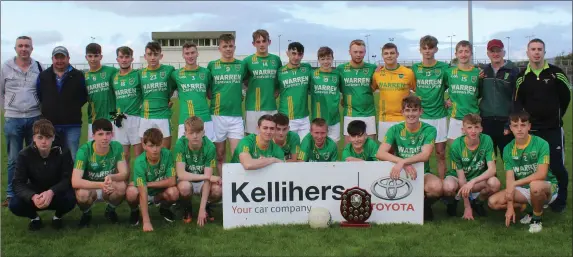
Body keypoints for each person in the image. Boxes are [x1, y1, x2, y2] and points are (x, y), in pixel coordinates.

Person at [513, 38, 571, 212]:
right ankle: (533, 200)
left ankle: (560, 200)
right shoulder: (522, 77)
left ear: (544, 52)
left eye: (540, 49)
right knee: (531, 167)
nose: (536, 52)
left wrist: (555, 116)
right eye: (533, 49)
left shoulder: (556, 73)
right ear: (528, 52)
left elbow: (566, 98)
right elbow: (517, 102)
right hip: (532, 131)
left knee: (556, 166)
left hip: (552, 129)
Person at [488, 111, 559, 233]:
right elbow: (510, 179)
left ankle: (536, 219)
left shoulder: (541, 144)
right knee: (493, 202)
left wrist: (516, 183)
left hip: (547, 187)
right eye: (515, 126)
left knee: (535, 186)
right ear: (510, 128)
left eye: (523, 125)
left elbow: (541, 174)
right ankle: (527, 208)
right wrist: (510, 206)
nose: (519, 129)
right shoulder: (507, 149)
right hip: (524, 189)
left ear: (529, 126)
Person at [375, 95, 441, 221]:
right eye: (407, 110)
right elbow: (380, 153)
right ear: (402, 112)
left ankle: (423, 206)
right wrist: (403, 164)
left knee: (437, 187)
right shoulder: (394, 129)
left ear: (420, 111)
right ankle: (408, 206)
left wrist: (403, 161)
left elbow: (425, 155)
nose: (411, 114)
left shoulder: (429, 129)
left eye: (414, 110)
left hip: (422, 172)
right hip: (400, 172)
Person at [9, 119, 75, 230]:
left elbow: (67, 179)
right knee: (14, 204)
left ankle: (57, 217)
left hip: (56, 191)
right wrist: (33, 196)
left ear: (53, 137)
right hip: (35, 192)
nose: (44, 142)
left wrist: (51, 192)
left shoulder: (63, 152)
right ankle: (34, 218)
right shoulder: (24, 155)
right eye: (40, 137)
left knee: (72, 198)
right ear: (34, 138)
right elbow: (17, 183)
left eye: (48, 137)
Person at [1, 36, 43, 206]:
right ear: (15, 48)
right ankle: (11, 194)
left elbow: (42, 90)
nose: (24, 49)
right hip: (13, 119)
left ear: (32, 49)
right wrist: (8, 109)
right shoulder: (5, 67)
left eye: (27, 46)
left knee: (35, 156)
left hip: (34, 117)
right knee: (14, 158)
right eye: (20, 46)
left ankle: (34, 190)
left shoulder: (38, 67)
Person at [71, 119, 128, 228]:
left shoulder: (117, 147)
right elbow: (75, 181)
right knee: (82, 194)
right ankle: (87, 213)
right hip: (91, 189)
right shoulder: (84, 151)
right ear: (93, 136)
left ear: (112, 134)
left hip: (109, 187)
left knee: (121, 186)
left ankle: (110, 210)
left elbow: (124, 173)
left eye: (108, 133)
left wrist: (111, 176)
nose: (105, 138)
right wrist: (102, 185)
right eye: (100, 134)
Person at [442, 114, 500, 220]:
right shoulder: (456, 146)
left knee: (494, 183)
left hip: (476, 179)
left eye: (476, 127)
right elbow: (461, 177)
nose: (473, 131)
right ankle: (453, 202)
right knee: (448, 187)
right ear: (463, 130)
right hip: (458, 177)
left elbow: (492, 169)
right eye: (469, 127)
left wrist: (472, 182)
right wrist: (466, 206)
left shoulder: (487, 140)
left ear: (481, 129)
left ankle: (478, 202)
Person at [36, 46, 87, 160]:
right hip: (50, 125)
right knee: (51, 157)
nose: (59, 61)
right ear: (52, 59)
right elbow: (40, 95)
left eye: (62, 57)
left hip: (72, 125)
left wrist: (71, 107)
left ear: (68, 58)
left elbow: (83, 96)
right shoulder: (44, 76)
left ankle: (72, 178)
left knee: (72, 156)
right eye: (57, 58)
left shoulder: (78, 75)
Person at [208, 33, 248, 174]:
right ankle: (223, 182)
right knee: (219, 154)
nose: (228, 49)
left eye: (231, 46)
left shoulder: (241, 65)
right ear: (219, 48)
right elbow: (208, 89)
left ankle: (236, 183)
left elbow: (248, 82)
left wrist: (241, 94)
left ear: (234, 47)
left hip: (236, 116)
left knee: (238, 154)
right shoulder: (212, 66)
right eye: (225, 46)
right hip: (217, 115)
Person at [126, 128, 179, 231]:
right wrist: (146, 222)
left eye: (158, 145)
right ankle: (134, 210)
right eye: (151, 146)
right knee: (131, 192)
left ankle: (164, 208)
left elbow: (172, 181)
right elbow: (142, 191)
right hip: (145, 192)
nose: (155, 149)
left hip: (159, 192)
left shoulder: (167, 154)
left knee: (174, 192)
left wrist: (147, 184)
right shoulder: (139, 162)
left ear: (161, 144)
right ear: (144, 146)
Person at [411, 35, 449, 179]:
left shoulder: (444, 68)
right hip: (421, 117)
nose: (427, 51)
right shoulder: (415, 69)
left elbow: (453, 85)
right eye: (424, 48)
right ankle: (419, 186)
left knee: (440, 153)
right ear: (420, 50)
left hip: (439, 115)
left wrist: (449, 100)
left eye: (430, 48)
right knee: (419, 153)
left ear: (436, 49)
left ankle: (442, 185)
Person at [174, 116, 222, 226]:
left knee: (217, 190)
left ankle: (206, 206)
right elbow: (181, 174)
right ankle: (187, 208)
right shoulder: (180, 144)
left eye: (198, 132)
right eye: (191, 133)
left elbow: (207, 180)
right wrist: (206, 176)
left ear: (203, 132)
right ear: (185, 133)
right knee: (184, 188)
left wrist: (201, 208)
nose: (195, 136)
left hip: (203, 182)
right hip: (187, 180)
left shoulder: (210, 147)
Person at [478, 39, 519, 158]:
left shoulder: (513, 71)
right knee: (488, 160)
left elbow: (517, 99)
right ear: (488, 53)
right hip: (486, 121)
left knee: (510, 159)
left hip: (506, 121)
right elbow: (477, 94)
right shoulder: (483, 71)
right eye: (492, 51)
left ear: (504, 52)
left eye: (498, 51)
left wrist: (511, 122)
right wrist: (479, 81)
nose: (495, 54)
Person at [371, 43, 416, 142]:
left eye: (392, 53)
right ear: (382, 56)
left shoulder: (408, 73)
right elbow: (371, 89)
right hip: (384, 119)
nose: (389, 55)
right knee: (386, 152)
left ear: (397, 54)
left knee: (403, 152)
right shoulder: (377, 74)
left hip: (404, 118)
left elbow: (418, 90)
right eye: (386, 53)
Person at [337, 39, 377, 143]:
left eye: (361, 52)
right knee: (349, 148)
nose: (358, 55)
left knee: (370, 148)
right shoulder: (341, 69)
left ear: (365, 52)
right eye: (355, 52)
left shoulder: (373, 68)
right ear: (349, 52)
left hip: (368, 114)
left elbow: (376, 86)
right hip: (350, 114)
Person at [172, 42, 214, 141]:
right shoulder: (176, 74)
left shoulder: (206, 72)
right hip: (185, 119)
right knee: (186, 151)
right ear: (183, 55)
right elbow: (167, 90)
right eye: (187, 53)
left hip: (205, 118)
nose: (190, 56)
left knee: (208, 150)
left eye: (192, 53)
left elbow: (210, 95)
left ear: (197, 53)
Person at [138, 41, 176, 149]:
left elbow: (174, 86)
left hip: (163, 115)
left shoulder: (169, 70)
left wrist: (168, 98)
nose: (153, 57)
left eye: (155, 54)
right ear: (145, 56)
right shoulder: (140, 73)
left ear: (161, 55)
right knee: (147, 151)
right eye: (149, 54)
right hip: (145, 115)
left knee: (165, 151)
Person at [244, 29, 282, 135]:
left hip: (271, 106)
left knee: (271, 138)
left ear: (269, 42)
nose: (261, 44)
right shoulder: (247, 61)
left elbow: (280, 79)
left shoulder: (276, 60)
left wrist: (277, 90)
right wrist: (243, 90)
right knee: (252, 139)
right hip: (253, 107)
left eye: (264, 41)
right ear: (253, 44)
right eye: (258, 42)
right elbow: (241, 80)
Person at [111, 46, 143, 170]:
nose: (124, 60)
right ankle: (124, 183)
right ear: (117, 59)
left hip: (136, 118)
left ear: (131, 59)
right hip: (119, 117)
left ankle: (138, 183)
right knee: (123, 155)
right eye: (121, 57)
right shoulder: (114, 77)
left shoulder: (138, 75)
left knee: (138, 154)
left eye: (126, 57)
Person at [445, 40, 482, 142]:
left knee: (473, 150)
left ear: (471, 53)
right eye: (460, 51)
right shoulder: (449, 72)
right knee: (455, 150)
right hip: (456, 117)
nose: (463, 54)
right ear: (456, 54)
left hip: (473, 118)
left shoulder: (478, 73)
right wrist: (445, 100)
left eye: (466, 51)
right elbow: (438, 89)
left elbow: (481, 93)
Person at [277, 42, 313, 139]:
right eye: (293, 53)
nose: (296, 57)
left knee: (304, 150)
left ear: (302, 55)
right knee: (288, 150)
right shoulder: (280, 72)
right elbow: (274, 91)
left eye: (299, 54)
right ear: (287, 53)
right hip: (287, 117)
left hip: (304, 118)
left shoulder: (307, 68)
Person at [84, 43, 118, 141]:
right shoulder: (84, 77)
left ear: (101, 57)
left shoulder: (111, 71)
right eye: (90, 56)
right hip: (94, 120)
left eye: (96, 56)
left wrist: (117, 116)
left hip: (112, 119)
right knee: (95, 151)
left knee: (114, 150)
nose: (93, 59)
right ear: (86, 57)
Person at [310, 46, 342, 142]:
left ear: (332, 58)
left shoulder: (337, 74)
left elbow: (345, 90)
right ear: (318, 60)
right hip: (318, 118)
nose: (326, 62)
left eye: (328, 58)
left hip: (334, 118)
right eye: (322, 59)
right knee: (318, 145)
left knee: (333, 146)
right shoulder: (312, 74)